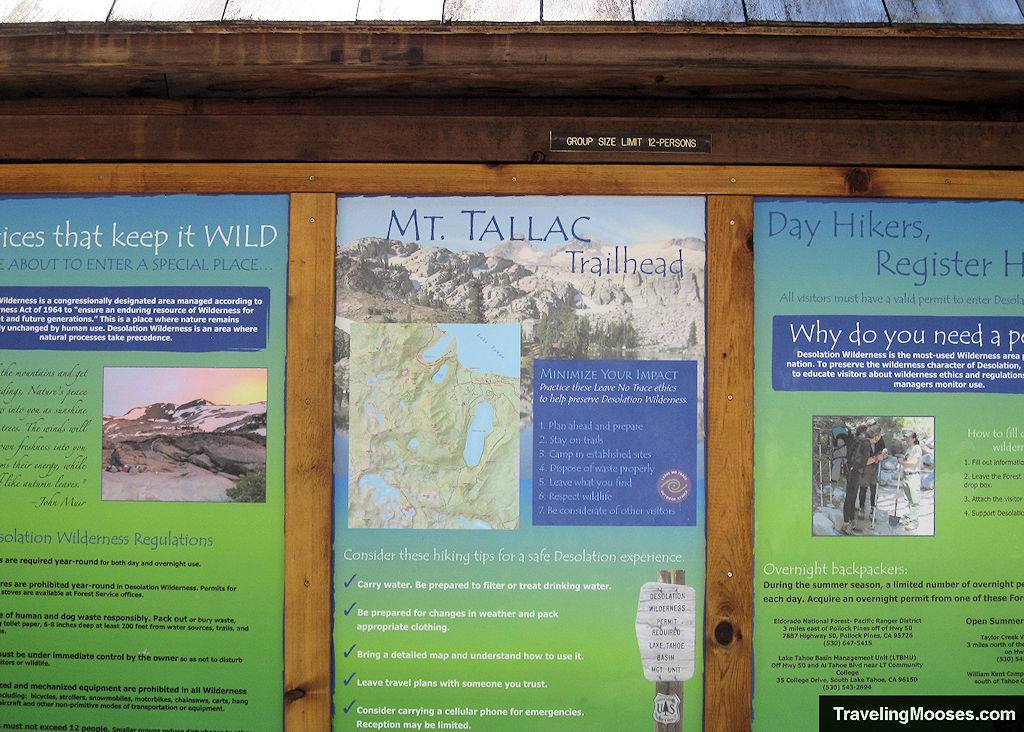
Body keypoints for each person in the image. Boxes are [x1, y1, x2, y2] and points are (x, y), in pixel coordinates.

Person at [842, 424, 884, 535]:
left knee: (852, 497)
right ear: (876, 436)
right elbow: (864, 462)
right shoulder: (866, 443)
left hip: (851, 469)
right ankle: (846, 525)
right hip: (855, 472)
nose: (879, 439)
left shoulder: (861, 438)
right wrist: (877, 458)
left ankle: (851, 523)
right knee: (850, 497)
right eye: (879, 436)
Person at [858, 418, 887, 519]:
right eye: (874, 425)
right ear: (869, 427)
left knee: (874, 488)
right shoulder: (863, 438)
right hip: (865, 467)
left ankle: (872, 509)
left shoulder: (879, 436)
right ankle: (861, 508)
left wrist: (884, 452)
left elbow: (883, 447)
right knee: (863, 487)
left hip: (875, 466)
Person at [897, 432, 923, 531]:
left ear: (914, 438)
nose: (907, 439)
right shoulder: (909, 449)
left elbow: (914, 462)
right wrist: (901, 460)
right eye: (906, 438)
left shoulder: (917, 448)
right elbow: (907, 460)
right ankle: (908, 518)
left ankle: (914, 522)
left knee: (914, 500)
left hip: (913, 476)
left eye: (909, 438)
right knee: (907, 499)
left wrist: (903, 462)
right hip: (906, 476)